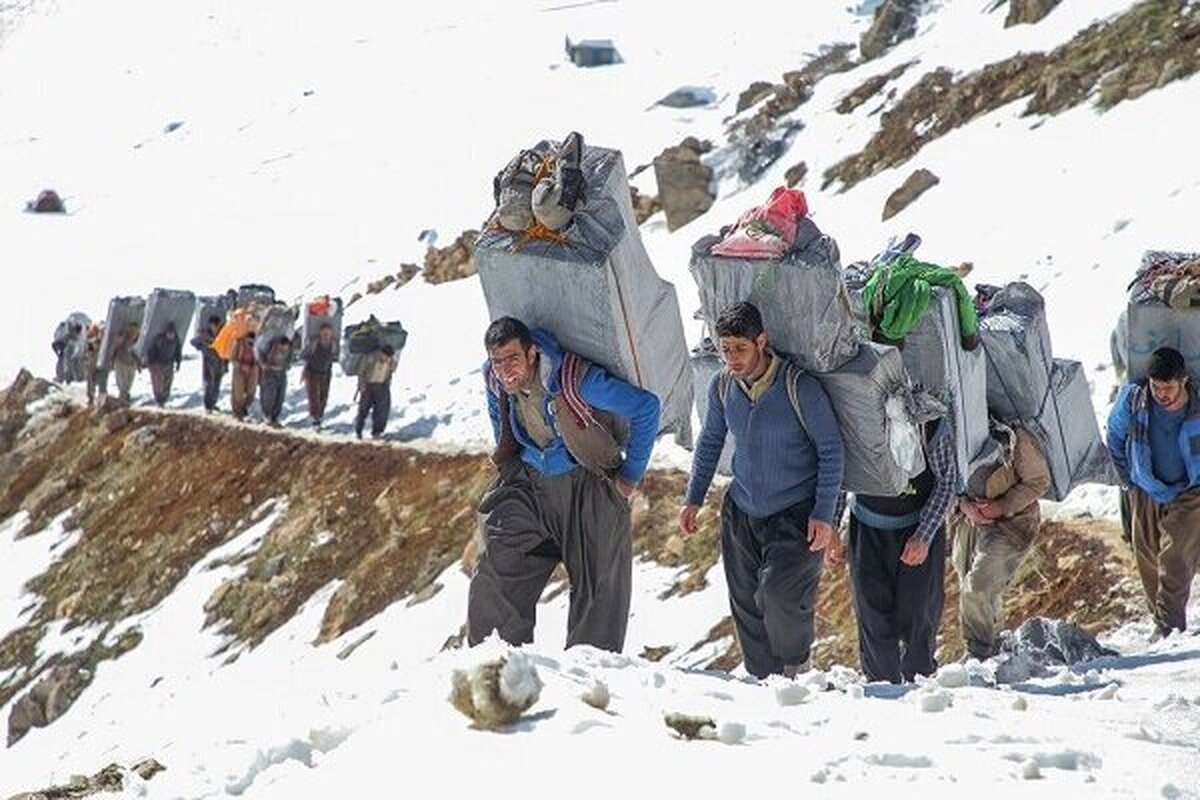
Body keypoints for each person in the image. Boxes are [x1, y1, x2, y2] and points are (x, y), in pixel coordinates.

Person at [467, 317, 661, 653]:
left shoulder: (574, 380)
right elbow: (500, 420)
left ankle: (586, 684)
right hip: (529, 484)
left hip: (587, 484)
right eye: (497, 362)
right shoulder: (495, 379)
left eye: (512, 359)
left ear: (532, 354)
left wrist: (630, 475)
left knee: (599, 594)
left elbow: (647, 407)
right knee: (496, 568)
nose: (504, 370)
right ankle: (495, 666)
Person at [680, 302, 844, 678]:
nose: (732, 358)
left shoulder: (799, 387)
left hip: (796, 513)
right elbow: (710, 442)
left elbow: (832, 450)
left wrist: (824, 514)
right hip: (741, 510)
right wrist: (693, 497)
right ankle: (760, 682)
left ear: (762, 341)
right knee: (745, 603)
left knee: (779, 595)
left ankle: (796, 670)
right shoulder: (722, 386)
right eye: (726, 349)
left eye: (740, 348)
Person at [828, 410, 958, 684]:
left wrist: (923, 536)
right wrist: (831, 526)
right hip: (867, 527)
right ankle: (881, 691)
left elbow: (947, 481)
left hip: (919, 527)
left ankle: (921, 690)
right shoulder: (857, 414)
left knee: (918, 615)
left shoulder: (929, 421)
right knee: (873, 616)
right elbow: (841, 473)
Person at [1106, 347, 1200, 636]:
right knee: (1146, 554)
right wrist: (1128, 479)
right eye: (1156, 386)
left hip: (1191, 490)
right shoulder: (1135, 400)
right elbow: (1114, 435)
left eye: (1168, 387)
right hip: (1146, 486)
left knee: (1174, 557)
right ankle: (1160, 621)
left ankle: (1169, 628)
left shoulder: (1197, 407)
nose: (1161, 393)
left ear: (1183, 381)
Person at [950, 419, 1050, 659]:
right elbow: (945, 478)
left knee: (979, 586)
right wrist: (964, 505)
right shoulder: (952, 430)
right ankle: (995, 649)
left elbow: (1038, 480)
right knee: (977, 589)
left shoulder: (1013, 437)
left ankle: (978, 652)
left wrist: (1002, 506)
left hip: (1010, 525)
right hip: (970, 522)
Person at [355, 344, 397, 440]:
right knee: (363, 409)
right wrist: (361, 384)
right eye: (385, 356)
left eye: (388, 357)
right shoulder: (370, 357)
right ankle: (358, 430)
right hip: (368, 385)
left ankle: (377, 432)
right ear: (381, 353)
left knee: (381, 410)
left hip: (381, 385)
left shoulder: (390, 361)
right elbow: (361, 371)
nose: (386, 359)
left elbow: (391, 371)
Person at [301, 323, 337, 427]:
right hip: (312, 371)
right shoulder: (314, 343)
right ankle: (314, 418)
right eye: (324, 333)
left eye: (328, 333)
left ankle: (319, 417)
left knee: (323, 396)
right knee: (314, 396)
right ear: (320, 333)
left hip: (325, 372)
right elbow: (304, 355)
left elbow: (334, 357)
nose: (326, 335)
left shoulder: (333, 344)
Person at [192, 316, 227, 413]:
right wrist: (204, 347)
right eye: (213, 325)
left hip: (220, 363)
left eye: (216, 325)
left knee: (216, 385)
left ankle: (213, 404)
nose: (214, 328)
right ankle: (208, 406)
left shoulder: (222, 335)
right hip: (208, 363)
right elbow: (194, 342)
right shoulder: (205, 335)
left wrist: (226, 365)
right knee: (208, 385)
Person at [259, 335, 293, 427]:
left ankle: (275, 417)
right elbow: (260, 354)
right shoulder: (269, 346)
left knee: (280, 396)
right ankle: (267, 415)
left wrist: (286, 366)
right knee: (269, 395)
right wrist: (265, 365)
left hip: (281, 374)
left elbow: (289, 361)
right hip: (269, 373)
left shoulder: (289, 349)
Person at [145, 323, 182, 407]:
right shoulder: (159, 340)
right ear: (166, 333)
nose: (171, 335)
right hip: (158, 364)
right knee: (158, 383)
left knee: (168, 383)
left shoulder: (176, 340)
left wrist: (178, 362)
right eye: (169, 333)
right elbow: (151, 351)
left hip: (169, 364)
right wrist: (151, 363)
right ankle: (159, 400)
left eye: (172, 333)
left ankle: (164, 400)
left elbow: (178, 351)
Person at [230, 330, 259, 421]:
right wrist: (239, 365)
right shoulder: (238, 343)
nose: (250, 343)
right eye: (249, 341)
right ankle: (237, 413)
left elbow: (259, 359)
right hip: (239, 370)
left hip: (252, 370)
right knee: (238, 392)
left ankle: (245, 409)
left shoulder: (258, 345)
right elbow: (232, 357)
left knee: (251, 391)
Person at [111, 322, 142, 404]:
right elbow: (116, 347)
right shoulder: (123, 338)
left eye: (136, 331)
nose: (134, 332)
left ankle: (125, 399)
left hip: (131, 364)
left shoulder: (137, 340)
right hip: (121, 362)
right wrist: (113, 359)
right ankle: (122, 399)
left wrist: (139, 364)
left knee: (128, 384)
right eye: (133, 330)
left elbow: (135, 353)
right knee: (122, 383)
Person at [84, 323, 106, 408]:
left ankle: (97, 399)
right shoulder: (91, 341)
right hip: (92, 364)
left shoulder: (101, 342)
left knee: (99, 382)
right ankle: (91, 398)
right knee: (91, 382)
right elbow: (90, 352)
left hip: (98, 364)